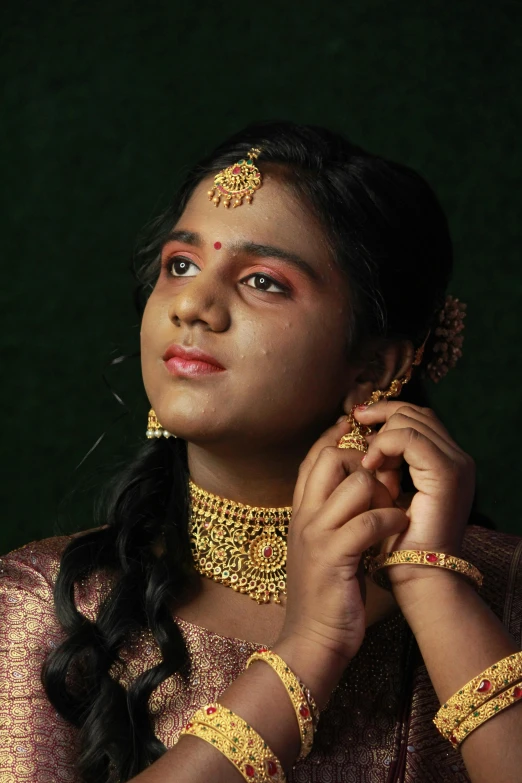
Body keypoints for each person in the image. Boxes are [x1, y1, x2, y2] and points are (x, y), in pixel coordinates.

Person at [0, 122, 521, 783]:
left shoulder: (505, 592)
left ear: (373, 366)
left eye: (262, 281)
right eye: (180, 265)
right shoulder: (48, 603)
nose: (192, 304)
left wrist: (432, 584)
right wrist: (307, 650)